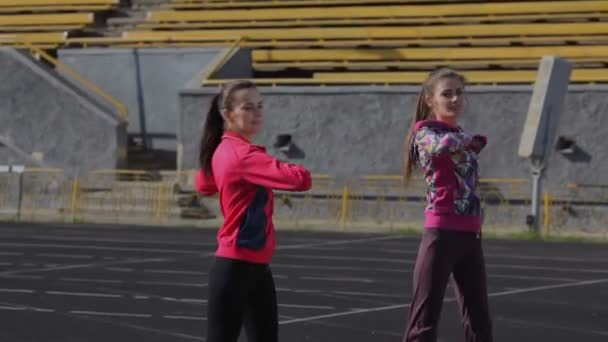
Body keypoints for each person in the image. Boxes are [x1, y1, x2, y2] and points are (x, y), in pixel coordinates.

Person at [195, 80, 312, 342]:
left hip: (255, 266)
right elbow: (301, 179)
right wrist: (269, 163)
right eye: (248, 107)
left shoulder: (224, 150)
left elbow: (204, 184)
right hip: (236, 265)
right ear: (228, 114)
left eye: (260, 106)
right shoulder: (243, 155)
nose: (257, 113)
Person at [402, 68, 493, 342]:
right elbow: (440, 145)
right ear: (430, 100)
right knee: (424, 322)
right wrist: (469, 141)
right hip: (441, 235)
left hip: (470, 234)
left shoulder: (460, 133)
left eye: (459, 93)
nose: (455, 99)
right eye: (447, 93)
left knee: (479, 322)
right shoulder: (425, 133)